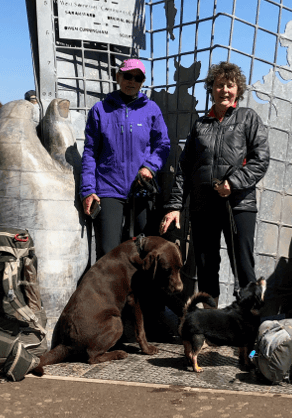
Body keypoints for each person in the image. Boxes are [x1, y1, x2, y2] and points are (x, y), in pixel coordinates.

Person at [160, 61, 270, 305]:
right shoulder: (201, 125)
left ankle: (248, 324)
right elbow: (184, 168)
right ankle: (211, 322)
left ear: (237, 90)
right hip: (203, 206)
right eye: (219, 85)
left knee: (242, 263)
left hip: (238, 204)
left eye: (230, 85)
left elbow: (260, 160)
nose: (225, 90)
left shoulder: (247, 118)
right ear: (211, 89)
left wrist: (234, 182)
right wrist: (175, 204)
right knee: (207, 264)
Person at [80, 59, 170, 258]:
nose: (132, 81)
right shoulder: (100, 110)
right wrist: (87, 190)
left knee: (144, 252)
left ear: (142, 82)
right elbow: (90, 152)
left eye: (138, 78)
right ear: (118, 76)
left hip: (142, 188)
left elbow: (163, 145)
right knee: (108, 253)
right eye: (128, 76)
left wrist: (150, 167)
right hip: (108, 188)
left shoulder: (152, 109)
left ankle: (139, 291)